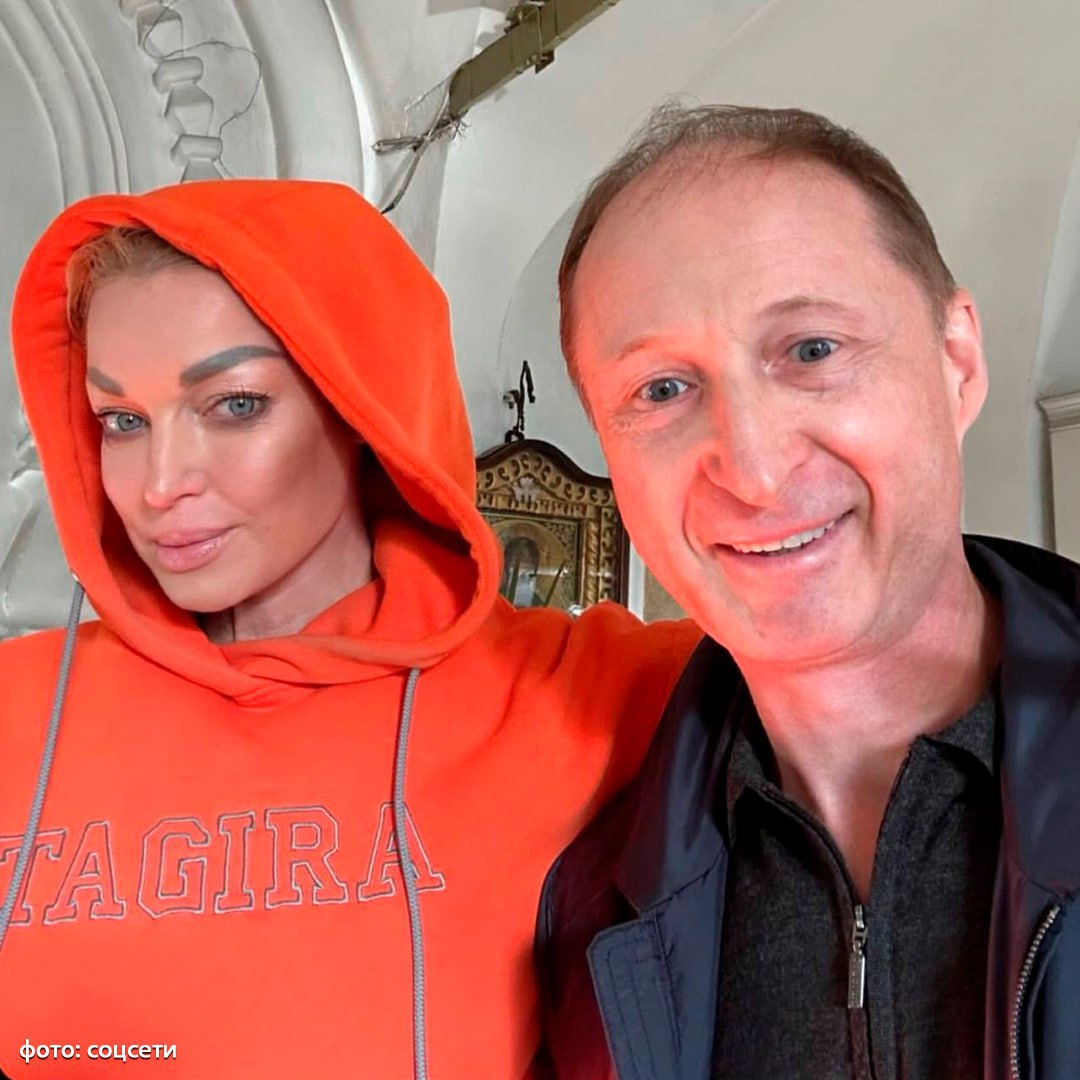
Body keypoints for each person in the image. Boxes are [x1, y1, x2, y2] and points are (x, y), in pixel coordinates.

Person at [0, 179, 700, 1079]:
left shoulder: (588, 693)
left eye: (234, 404)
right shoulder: (19, 709)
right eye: (122, 420)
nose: (161, 482)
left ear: (363, 406)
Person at [535, 104, 1080, 1080]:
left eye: (813, 350)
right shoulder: (590, 905)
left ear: (957, 363)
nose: (752, 470)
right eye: (661, 390)